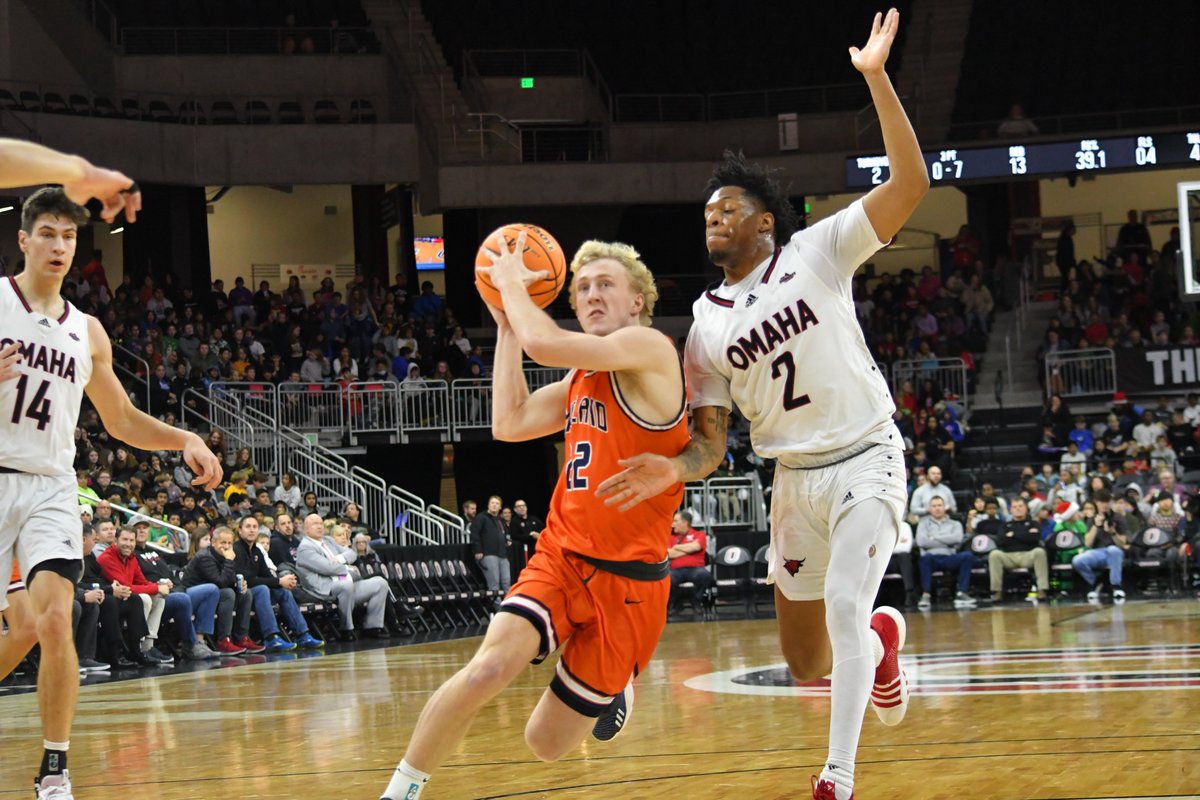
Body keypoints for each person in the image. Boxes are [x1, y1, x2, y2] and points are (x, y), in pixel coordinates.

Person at [595, 13, 925, 800]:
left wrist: (877, 77)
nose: (714, 215)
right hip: (793, 482)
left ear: (766, 221)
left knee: (845, 602)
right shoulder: (704, 325)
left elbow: (911, 184)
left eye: (729, 207)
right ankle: (884, 645)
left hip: (866, 456)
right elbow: (712, 443)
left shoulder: (819, 250)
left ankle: (836, 777)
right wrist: (669, 469)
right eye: (707, 211)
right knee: (810, 657)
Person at [381, 231, 688, 800]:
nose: (593, 295)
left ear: (636, 301)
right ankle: (400, 791)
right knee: (486, 671)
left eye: (606, 285)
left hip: (631, 586)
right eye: (584, 288)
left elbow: (544, 343)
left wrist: (513, 286)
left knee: (545, 743)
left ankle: (616, 683)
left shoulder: (652, 350)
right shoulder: (580, 378)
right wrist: (503, 326)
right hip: (562, 557)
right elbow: (511, 421)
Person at [0, 162, 219, 798]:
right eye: (46, 234)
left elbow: (120, 419)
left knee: (54, 622)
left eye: (68, 237)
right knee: (17, 631)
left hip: (49, 487)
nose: (59, 246)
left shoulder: (86, 330)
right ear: (23, 239)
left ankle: (55, 767)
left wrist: (184, 437)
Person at [231, 515, 324, 651]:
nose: (251, 530)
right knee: (263, 588)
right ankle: (271, 638)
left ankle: (302, 635)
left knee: (282, 590)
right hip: (240, 593)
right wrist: (279, 580)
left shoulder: (257, 550)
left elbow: (267, 576)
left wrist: (283, 583)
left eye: (254, 527)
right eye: (248, 527)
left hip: (257, 593)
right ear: (240, 531)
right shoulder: (236, 549)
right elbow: (248, 579)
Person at [295, 513, 390, 640]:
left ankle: (372, 627)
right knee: (345, 585)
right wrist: (345, 567)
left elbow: (352, 553)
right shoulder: (305, 548)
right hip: (324, 590)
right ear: (306, 529)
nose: (319, 526)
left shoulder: (328, 540)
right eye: (315, 524)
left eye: (320, 523)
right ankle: (347, 629)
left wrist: (339, 558)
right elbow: (327, 568)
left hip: (345, 583)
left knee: (380, 583)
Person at [915, 497, 975, 609]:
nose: (937, 508)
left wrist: (933, 538)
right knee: (924, 559)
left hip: (950, 557)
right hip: (931, 558)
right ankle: (926, 595)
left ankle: (962, 593)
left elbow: (957, 539)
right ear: (929, 509)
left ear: (945, 507)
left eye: (939, 505)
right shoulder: (923, 524)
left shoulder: (955, 524)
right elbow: (921, 542)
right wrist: (947, 541)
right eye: (934, 506)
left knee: (967, 556)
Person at [988, 497, 1048, 602]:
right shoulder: (1005, 525)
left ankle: (1042, 590)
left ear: (1026, 508)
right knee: (994, 554)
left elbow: (1034, 538)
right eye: (1014, 507)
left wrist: (1013, 535)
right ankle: (997, 592)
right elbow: (1001, 541)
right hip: (1009, 556)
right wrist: (1025, 535)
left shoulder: (1034, 524)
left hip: (1028, 555)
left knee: (1040, 552)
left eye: (1020, 506)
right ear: (1010, 510)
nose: (1017, 509)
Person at [667, 509, 713, 615]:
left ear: (684, 523)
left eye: (675, 521)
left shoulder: (699, 534)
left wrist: (677, 547)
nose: (672, 524)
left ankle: (696, 600)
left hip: (695, 569)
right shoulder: (670, 537)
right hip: (676, 570)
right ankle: (677, 604)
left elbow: (696, 547)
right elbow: (669, 554)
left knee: (705, 576)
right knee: (666, 579)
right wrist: (689, 549)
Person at [469, 495, 510, 609]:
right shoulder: (481, 518)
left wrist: (507, 540)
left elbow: (505, 533)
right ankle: (498, 611)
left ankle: (509, 609)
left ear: (500, 507)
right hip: (488, 555)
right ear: (488, 505)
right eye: (492, 503)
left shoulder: (500, 520)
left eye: (497, 503)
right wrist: (478, 550)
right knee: (494, 585)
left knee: (507, 584)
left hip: (502, 555)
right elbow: (474, 534)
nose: (494, 505)